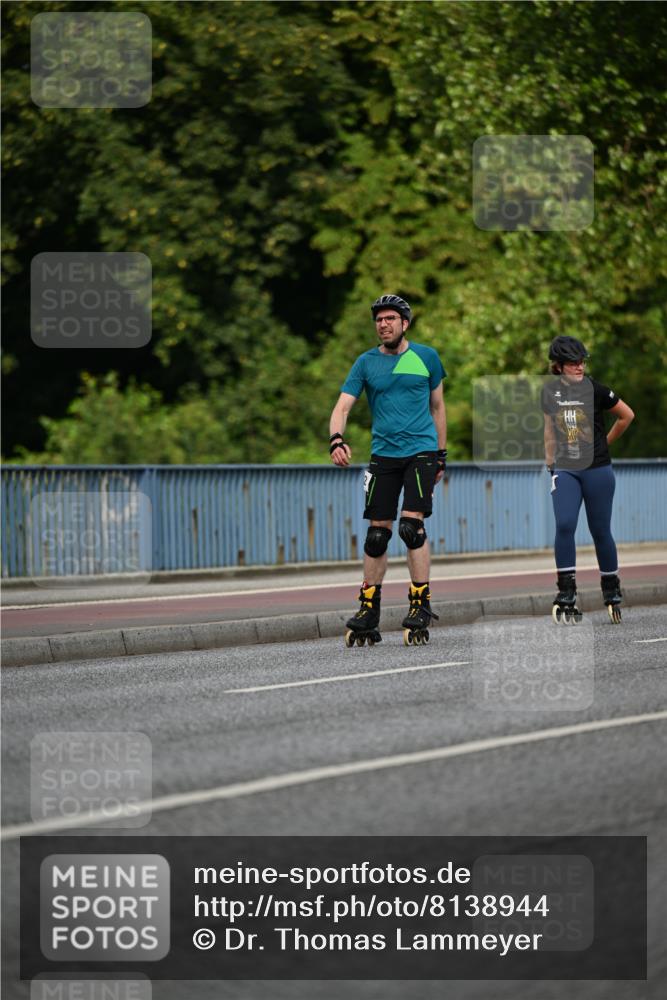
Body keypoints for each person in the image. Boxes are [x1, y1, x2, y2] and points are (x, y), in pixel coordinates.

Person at [329, 294, 447, 643]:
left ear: (404, 323)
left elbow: (438, 408)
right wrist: (337, 439)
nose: (384, 324)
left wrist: (441, 455)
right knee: (377, 535)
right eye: (379, 319)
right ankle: (368, 610)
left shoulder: (426, 357)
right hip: (384, 454)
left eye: (391, 318)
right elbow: (343, 407)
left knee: (411, 528)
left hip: (422, 451)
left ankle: (420, 604)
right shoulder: (365, 363)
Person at [542, 335, 635, 623]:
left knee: (600, 530)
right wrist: (550, 463)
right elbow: (548, 430)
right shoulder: (550, 393)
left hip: (598, 469)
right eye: (573, 363)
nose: (580, 367)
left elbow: (627, 416)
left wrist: (605, 443)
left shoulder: (595, 389)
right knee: (565, 524)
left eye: (582, 362)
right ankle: (566, 592)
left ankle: (611, 589)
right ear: (558, 366)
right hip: (566, 469)